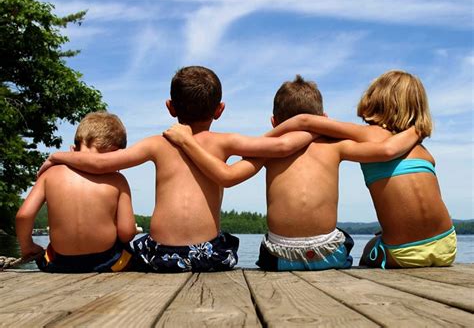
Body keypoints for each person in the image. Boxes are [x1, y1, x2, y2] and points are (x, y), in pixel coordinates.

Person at [37, 66, 314, 272]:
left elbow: (98, 163)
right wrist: (314, 130)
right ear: (220, 110)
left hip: (160, 256)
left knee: (128, 250)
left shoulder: (158, 144)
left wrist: (58, 157)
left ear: (170, 107)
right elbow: (282, 147)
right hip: (207, 256)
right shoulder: (226, 141)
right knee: (226, 241)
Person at [163, 75, 420, 271]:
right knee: (351, 240)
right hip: (328, 255)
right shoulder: (337, 146)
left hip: (279, 257)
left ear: (274, 122)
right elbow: (386, 151)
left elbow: (230, 174)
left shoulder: (267, 152)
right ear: (324, 118)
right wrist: (416, 131)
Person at [266, 70, 456, 269]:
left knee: (368, 250)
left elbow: (304, 121)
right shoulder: (421, 147)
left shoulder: (367, 135)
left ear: (374, 99)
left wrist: (272, 140)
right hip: (447, 245)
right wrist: (418, 129)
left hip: (403, 254)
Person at [16, 112, 137, 273]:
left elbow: (23, 216)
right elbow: (127, 233)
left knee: (47, 253)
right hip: (109, 262)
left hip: (58, 263)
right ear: (115, 156)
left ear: (73, 150)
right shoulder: (117, 180)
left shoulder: (50, 174)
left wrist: (27, 246)